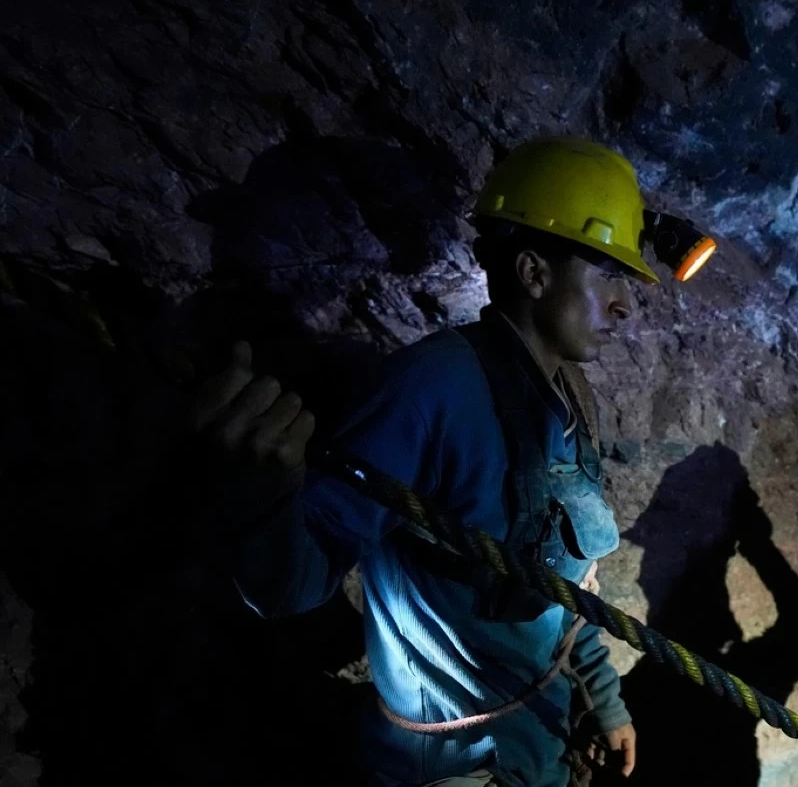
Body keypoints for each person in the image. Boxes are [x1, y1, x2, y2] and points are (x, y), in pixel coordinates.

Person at [189, 138, 663, 787]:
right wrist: (259, 490)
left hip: (538, 747)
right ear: (533, 272)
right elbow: (292, 584)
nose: (625, 303)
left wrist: (604, 701)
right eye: (607, 273)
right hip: (450, 768)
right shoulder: (433, 387)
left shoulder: (568, 401)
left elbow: (564, 590)